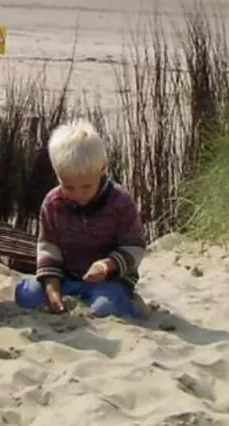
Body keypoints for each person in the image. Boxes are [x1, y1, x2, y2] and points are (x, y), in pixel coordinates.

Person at [14, 119, 148, 319]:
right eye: (69, 187)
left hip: (109, 280)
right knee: (27, 295)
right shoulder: (52, 203)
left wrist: (106, 265)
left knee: (104, 308)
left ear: (102, 170)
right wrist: (53, 290)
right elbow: (48, 248)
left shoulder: (120, 202)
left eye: (86, 186)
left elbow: (135, 247)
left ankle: (134, 304)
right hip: (67, 278)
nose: (79, 195)